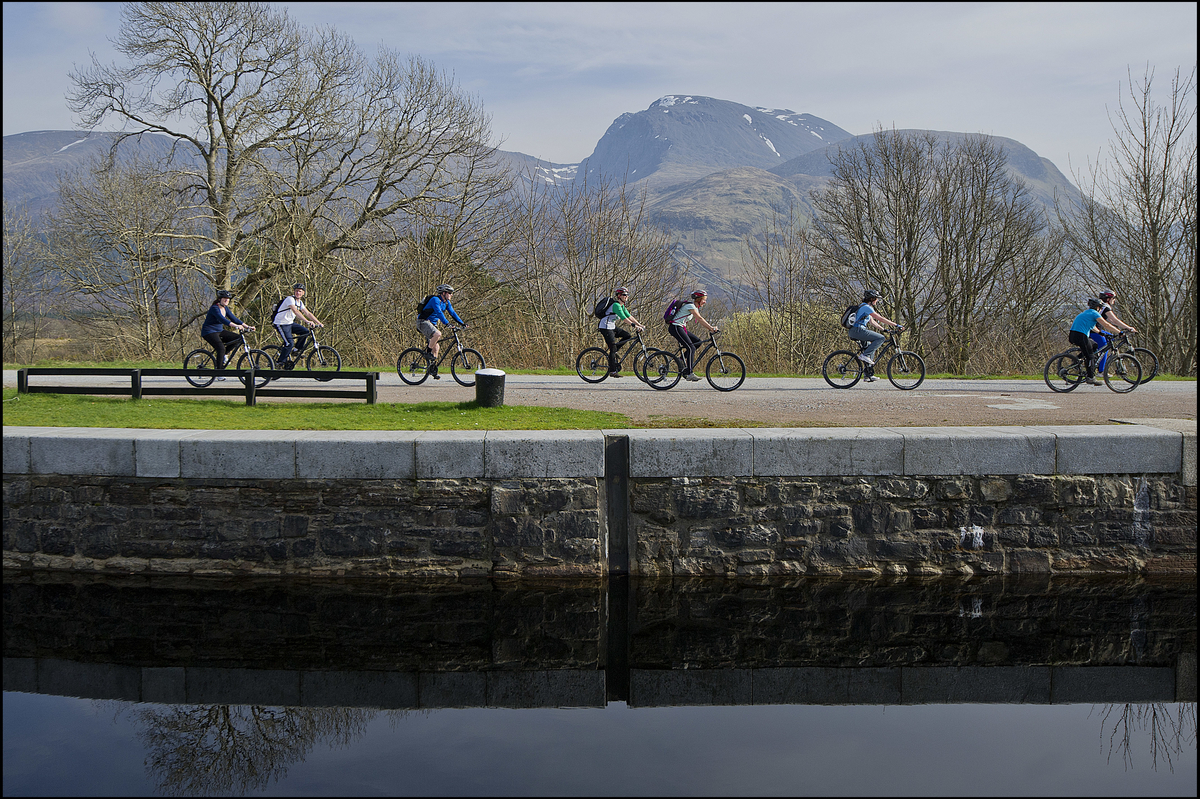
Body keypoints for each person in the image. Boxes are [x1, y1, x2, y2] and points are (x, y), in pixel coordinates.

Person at [201, 289, 255, 381]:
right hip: (209, 332)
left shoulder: (225, 308)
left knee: (237, 338)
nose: (227, 300)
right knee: (220, 347)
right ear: (220, 299)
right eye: (225, 298)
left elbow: (234, 319)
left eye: (228, 299)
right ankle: (219, 373)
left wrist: (248, 326)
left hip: (219, 331)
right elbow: (223, 320)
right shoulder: (215, 308)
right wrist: (236, 326)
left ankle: (224, 355)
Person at [848, 289, 901, 381]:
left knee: (869, 347)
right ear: (872, 299)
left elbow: (873, 322)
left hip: (858, 330)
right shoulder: (866, 307)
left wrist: (884, 329)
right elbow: (880, 318)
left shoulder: (864, 307)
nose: (877, 301)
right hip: (858, 330)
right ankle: (865, 356)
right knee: (880, 338)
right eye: (876, 299)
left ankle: (868, 375)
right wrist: (896, 325)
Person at [667, 289, 719, 382]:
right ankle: (690, 373)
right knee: (691, 348)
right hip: (675, 327)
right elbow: (699, 318)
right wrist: (711, 328)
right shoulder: (691, 306)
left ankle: (681, 360)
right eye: (704, 299)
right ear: (698, 299)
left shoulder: (694, 307)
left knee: (697, 342)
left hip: (681, 328)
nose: (705, 302)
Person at [417, 284, 466, 379]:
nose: (451, 295)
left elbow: (452, 313)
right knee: (438, 334)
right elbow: (439, 312)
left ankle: (432, 369)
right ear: (444, 293)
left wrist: (462, 323)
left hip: (431, 324)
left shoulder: (446, 303)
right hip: (422, 322)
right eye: (450, 293)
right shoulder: (435, 300)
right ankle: (427, 353)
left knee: (436, 347)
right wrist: (447, 323)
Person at [1071, 297, 1123, 385]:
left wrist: (1100, 332)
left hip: (1074, 335)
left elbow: (1092, 326)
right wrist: (1119, 332)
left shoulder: (1086, 313)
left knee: (1094, 346)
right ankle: (1091, 377)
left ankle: (1080, 360)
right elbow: (1106, 324)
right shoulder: (1095, 313)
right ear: (1097, 307)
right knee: (1090, 356)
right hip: (1081, 336)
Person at [272, 283, 323, 370]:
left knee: (305, 332)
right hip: (281, 323)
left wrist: (319, 322)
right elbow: (296, 311)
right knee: (289, 343)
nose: (298, 293)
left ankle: (296, 350)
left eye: (300, 291)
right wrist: (307, 321)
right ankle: (279, 362)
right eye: (296, 291)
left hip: (289, 323)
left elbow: (307, 313)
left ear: (303, 293)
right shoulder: (290, 299)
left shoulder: (300, 302)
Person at [597, 286, 646, 377]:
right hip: (605, 327)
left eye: (627, 295)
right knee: (612, 347)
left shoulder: (622, 306)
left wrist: (639, 324)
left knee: (627, 336)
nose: (626, 296)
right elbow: (624, 318)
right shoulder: (616, 305)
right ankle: (612, 371)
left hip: (611, 326)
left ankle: (615, 351)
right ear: (619, 296)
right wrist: (634, 326)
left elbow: (629, 316)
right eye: (624, 295)